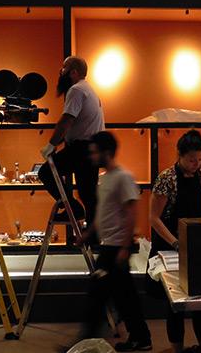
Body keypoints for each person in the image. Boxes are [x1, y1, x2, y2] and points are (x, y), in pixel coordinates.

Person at [77, 131, 152, 352]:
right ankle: (142, 338)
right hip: (109, 245)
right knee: (124, 297)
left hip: (116, 248)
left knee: (98, 297)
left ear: (106, 152)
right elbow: (103, 214)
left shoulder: (123, 177)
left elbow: (131, 212)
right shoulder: (105, 179)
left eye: (94, 152)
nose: (91, 157)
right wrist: (88, 233)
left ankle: (83, 344)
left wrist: (125, 247)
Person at [147, 129, 201, 353]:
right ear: (180, 155)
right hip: (169, 248)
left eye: (200, 159)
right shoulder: (167, 178)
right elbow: (154, 218)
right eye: (192, 159)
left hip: (194, 247)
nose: (197, 164)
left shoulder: (200, 179)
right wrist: (175, 243)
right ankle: (177, 349)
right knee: (175, 306)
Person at [39, 56, 105, 235]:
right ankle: (94, 236)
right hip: (92, 148)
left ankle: (72, 209)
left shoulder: (76, 90)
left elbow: (67, 119)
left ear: (73, 72)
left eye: (64, 69)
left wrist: (51, 145)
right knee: (89, 193)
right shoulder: (89, 89)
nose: (61, 73)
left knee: (45, 172)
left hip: (82, 149)